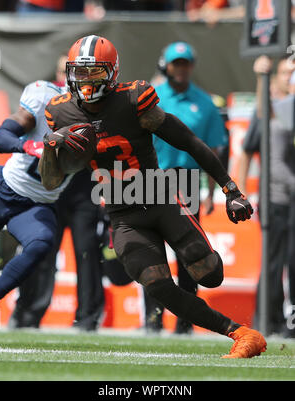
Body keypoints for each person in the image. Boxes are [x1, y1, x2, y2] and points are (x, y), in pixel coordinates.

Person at [39, 34, 267, 358]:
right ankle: (241, 333)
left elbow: (188, 140)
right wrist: (52, 148)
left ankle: (203, 274)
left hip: (160, 198)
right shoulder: (60, 113)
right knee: (159, 286)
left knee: (210, 274)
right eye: (81, 73)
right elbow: (50, 181)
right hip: (122, 213)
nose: (87, 83)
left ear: (113, 72)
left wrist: (230, 189)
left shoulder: (133, 98)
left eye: (95, 73)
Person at [8, 55, 105, 331]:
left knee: (87, 253)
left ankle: (88, 318)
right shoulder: (45, 98)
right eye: (64, 71)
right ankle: (27, 313)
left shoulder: (91, 102)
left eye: (72, 71)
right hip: (48, 189)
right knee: (40, 251)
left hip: (83, 187)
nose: (68, 77)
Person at [145, 41, 228, 334]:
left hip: (189, 180)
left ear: (191, 66)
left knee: (189, 253)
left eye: (185, 63)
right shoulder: (151, 97)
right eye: (176, 63)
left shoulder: (205, 103)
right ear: (166, 66)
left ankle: (186, 322)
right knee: (151, 251)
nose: (181, 68)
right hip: (152, 179)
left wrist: (210, 190)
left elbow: (213, 149)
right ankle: (152, 318)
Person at [0, 80, 74, 304]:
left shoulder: (103, 122)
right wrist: (28, 146)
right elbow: (0, 137)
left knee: (41, 242)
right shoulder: (43, 100)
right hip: (4, 188)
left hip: (38, 204)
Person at [238, 55, 295, 336]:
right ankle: (267, 319)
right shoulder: (265, 110)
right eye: (286, 72)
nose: (290, 77)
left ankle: (289, 322)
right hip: (274, 198)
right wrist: (241, 192)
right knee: (272, 262)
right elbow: (247, 152)